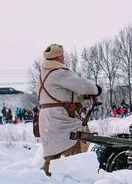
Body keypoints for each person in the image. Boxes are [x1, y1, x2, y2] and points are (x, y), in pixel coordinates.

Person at [37, 43, 101, 176]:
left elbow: (60, 94)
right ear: (59, 58)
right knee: (76, 142)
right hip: (60, 117)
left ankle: (45, 178)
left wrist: (80, 97)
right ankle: (75, 176)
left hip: (47, 117)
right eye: (62, 56)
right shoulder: (59, 73)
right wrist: (96, 89)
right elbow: (85, 86)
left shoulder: (43, 74)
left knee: (53, 151)